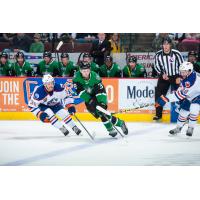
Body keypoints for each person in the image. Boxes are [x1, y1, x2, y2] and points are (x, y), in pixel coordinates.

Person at [72, 62, 128, 137]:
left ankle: (112, 128)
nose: (86, 73)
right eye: (84, 71)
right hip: (88, 97)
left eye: (87, 71)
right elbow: (80, 92)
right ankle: (120, 123)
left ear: (90, 70)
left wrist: (102, 103)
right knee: (99, 113)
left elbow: (100, 91)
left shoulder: (95, 76)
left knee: (102, 113)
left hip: (98, 95)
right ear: (80, 70)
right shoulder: (76, 77)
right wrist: (90, 100)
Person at [156, 62, 200, 137]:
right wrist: (167, 98)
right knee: (183, 112)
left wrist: (167, 99)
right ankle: (178, 128)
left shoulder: (191, 79)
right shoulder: (188, 75)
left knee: (194, 109)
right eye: (181, 72)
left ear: (189, 70)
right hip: (189, 95)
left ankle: (191, 127)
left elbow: (181, 95)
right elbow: (181, 88)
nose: (182, 73)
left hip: (198, 95)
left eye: (184, 72)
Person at [153, 36, 184, 121]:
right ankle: (158, 115)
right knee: (159, 94)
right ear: (162, 45)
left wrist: (180, 76)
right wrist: (162, 74)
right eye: (164, 44)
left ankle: (184, 115)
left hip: (175, 76)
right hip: (164, 77)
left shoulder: (176, 53)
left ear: (170, 45)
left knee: (180, 95)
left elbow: (182, 65)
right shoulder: (158, 54)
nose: (166, 46)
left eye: (167, 44)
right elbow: (156, 66)